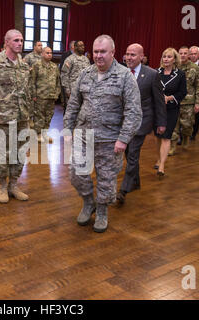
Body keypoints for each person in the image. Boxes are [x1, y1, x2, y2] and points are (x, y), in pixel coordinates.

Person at [64, 35, 142, 233]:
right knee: (76, 174)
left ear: (113, 53)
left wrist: (123, 139)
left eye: (103, 52)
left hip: (110, 140)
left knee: (106, 180)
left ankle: (101, 211)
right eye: (96, 51)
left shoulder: (125, 76)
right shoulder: (85, 73)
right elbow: (73, 104)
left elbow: (133, 112)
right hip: (83, 136)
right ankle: (89, 202)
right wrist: (67, 130)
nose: (98, 56)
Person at [0, 29, 32, 204]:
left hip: (22, 117)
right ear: (7, 42)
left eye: (22, 40)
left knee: (20, 152)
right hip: (2, 117)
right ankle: (2, 186)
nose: (20, 43)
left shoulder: (24, 65)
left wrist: (28, 114)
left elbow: (27, 91)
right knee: (2, 154)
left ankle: (14, 185)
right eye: (16, 40)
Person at [117, 43, 166, 205]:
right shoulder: (120, 72)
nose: (129, 58)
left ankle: (123, 190)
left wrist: (161, 122)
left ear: (141, 57)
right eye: (127, 54)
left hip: (141, 121)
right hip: (123, 122)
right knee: (128, 152)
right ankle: (135, 181)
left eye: (133, 55)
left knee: (133, 154)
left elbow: (159, 101)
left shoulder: (152, 74)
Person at [154, 48, 187, 176]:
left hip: (171, 109)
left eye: (169, 57)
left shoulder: (180, 74)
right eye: (164, 56)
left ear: (174, 59)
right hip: (158, 109)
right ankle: (159, 158)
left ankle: (162, 165)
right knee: (158, 136)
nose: (166, 59)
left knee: (166, 136)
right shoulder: (156, 72)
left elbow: (182, 93)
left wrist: (170, 98)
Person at [169, 46, 199, 154]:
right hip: (174, 101)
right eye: (181, 53)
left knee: (186, 125)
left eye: (185, 53)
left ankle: (185, 138)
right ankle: (172, 146)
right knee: (173, 125)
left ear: (188, 55)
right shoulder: (173, 67)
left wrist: (198, 103)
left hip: (188, 102)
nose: (183, 55)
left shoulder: (195, 68)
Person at [30, 46, 61, 143]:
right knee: (39, 116)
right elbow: (32, 81)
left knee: (49, 116)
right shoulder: (37, 65)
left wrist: (57, 93)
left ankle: (45, 133)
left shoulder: (54, 66)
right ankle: (38, 134)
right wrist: (34, 95)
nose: (50, 54)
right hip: (40, 96)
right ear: (42, 54)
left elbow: (58, 82)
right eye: (47, 53)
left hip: (51, 96)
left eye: (51, 53)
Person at [61, 41, 90, 109]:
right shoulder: (69, 59)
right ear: (75, 47)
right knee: (71, 112)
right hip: (73, 91)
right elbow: (64, 75)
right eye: (80, 46)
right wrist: (67, 90)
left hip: (84, 90)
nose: (83, 47)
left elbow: (89, 74)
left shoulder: (86, 59)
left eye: (83, 46)